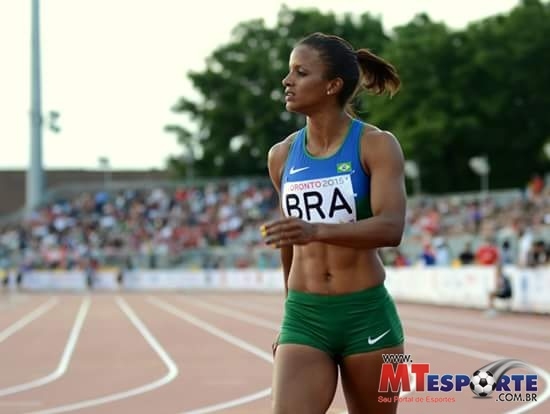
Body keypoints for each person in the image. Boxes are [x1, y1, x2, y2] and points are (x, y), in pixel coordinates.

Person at [261, 32, 406, 414]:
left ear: (332, 85)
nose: (286, 81)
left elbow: (392, 228)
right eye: (289, 71)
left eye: (300, 72)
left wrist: (317, 230)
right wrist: (289, 310)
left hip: (368, 316)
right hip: (305, 316)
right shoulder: (281, 156)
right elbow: (290, 241)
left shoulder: (376, 145)